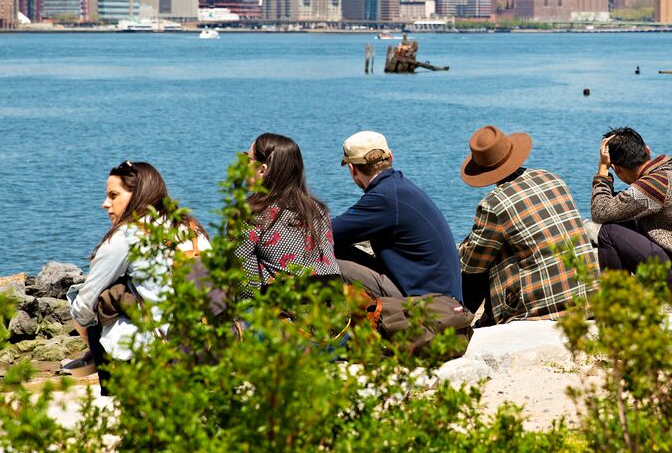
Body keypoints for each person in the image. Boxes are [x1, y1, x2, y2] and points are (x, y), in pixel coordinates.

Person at [67, 161, 210, 385]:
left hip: (154, 356)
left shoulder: (127, 236)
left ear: (138, 195)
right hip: (207, 346)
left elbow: (85, 303)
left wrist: (90, 341)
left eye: (113, 195)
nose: (105, 204)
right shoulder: (192, 229)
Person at [458, 125, 599, 326]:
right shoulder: (552, 178)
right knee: (504, 241)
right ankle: (480, 320)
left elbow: (472, 263)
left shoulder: (494, 203)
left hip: (546, 307)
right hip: (588, 297)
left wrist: (462, 247)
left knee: (485, 257)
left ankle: (457, 324)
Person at [331, 130, 463, 302]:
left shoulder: (384, 198)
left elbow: (326, 232)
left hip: (426, 306)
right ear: (390, 157)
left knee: (324, 257)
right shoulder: (400, 187)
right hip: (443, 297)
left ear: (352, 169)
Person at [591, 127, 672, 289]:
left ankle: (617, 301)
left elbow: (600, 212)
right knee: (621, 223)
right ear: (647, 150)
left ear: (617, 169)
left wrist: (602, 170)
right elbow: (617, 208)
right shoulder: (664, 176)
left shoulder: (654, 185)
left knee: (608, 232)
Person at [237, 133, 341, 297]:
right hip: (334, 311)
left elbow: (244, 283)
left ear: (262, 170)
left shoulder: (251, 213)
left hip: (288, 314)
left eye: (246, 160)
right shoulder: (318, 209)